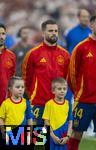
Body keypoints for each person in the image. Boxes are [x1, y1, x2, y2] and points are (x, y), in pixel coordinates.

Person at [22, 19, 70, 125]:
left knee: (56, 137)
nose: (54, 33)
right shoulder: (33, 54)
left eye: (56, 31)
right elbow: (26, 79)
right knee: (39, 139)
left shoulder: (65, 55)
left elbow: (66, 78)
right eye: (50, 31)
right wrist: (32, 97)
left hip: (57, 104)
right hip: (39, 103)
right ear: (43, 32)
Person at [68, 14, 96, 150]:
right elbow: (71, 74)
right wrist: (79, 92)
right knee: (77, 133)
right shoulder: (81, 47)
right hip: (84, 100)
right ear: (91, 25)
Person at [0, 76, 33, 143]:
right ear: (10, 89)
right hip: (9, 133)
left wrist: (30, 132)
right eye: (17, 87)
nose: (21, 89)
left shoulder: (26, 103)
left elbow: (29, 118)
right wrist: (3, 130)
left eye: (22, 87)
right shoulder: (5, 103)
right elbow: (1, 118)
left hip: (23, 133)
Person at [42, 77, 72, 150]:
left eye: (64, 89)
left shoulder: (68, 104)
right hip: (51, 136)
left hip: (63, 137)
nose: (62, 91)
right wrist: (53, 136)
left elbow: (70, 122)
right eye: (59, 89)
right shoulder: (49, 104)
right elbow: (46, 121)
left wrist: (67, 137)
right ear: (53, 91)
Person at [0, 23, 16, 105]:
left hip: (6, 102)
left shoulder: (11, 56)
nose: (1, 37)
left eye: (3, 34)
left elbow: (12, 79)